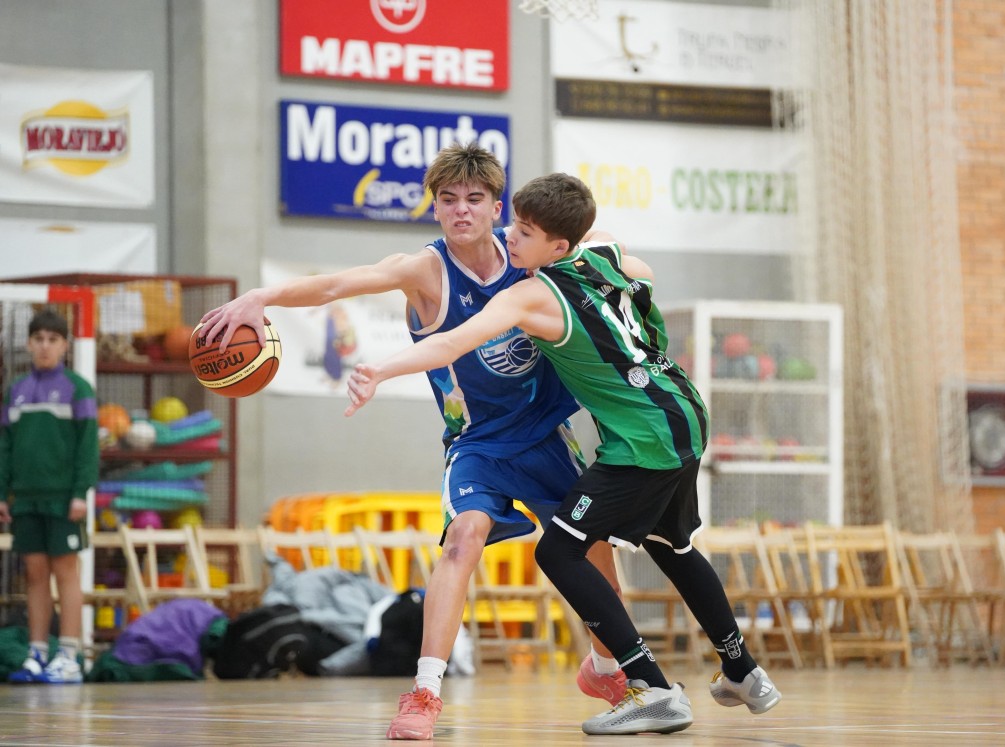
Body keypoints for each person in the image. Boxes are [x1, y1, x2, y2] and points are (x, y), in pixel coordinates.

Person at [196, 143, 624, 741]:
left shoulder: (528, 252)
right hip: (478, 443)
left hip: (547, 434)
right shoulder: (424, 270)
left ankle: (608, 666)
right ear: (436, 208)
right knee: (462, 539)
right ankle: (424, 693)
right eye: (448, 199)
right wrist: (260, 297)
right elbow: (340, 284)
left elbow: (605, 249)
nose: (461, 209)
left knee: (591, 545)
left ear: (495, 206)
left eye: (474, 198)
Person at [344, 173, 782, 736]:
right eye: (514, 225)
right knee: (671, 546)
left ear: (556, 247)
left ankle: (650, 688)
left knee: (558, 551)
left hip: (640, 438)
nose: (510, 236)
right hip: (681, 411)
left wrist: (379, 370)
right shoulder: (602, 257)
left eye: (524, 231)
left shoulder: (531, 293)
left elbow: (451, 342)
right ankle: (742, 670)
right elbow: (642, 270)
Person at [0, 309, 98, 684]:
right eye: (38, 339)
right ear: (28, 343)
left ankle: (70, 655)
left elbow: (87, 447)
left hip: (63, 499)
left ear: (65, 346)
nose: (45, 346)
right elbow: (5, 447)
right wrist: (3, 493)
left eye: (52, 339)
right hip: (25, 499)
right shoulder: (16, 390)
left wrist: (80, 492)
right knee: (34, 574)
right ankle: (37, 653)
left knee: (65, 573)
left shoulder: (78, 388)